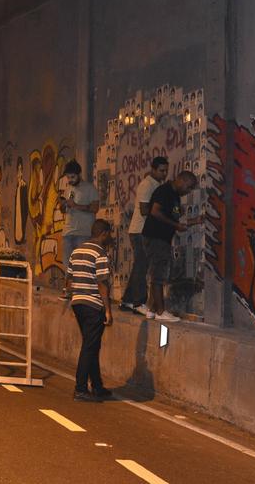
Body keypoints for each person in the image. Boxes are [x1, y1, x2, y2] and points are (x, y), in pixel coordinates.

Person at [142, 171, 201, 322]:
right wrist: (175, 225)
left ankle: (152, 309)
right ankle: (161, 311)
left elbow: (173, 218)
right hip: (156, 237)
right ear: (181, 180)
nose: (188, 191)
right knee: (159, 274)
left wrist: (195, 221)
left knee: (159, 272)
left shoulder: (175, 197)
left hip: (163, 238)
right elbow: (155, 212)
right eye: (188, 187)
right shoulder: (165, 191)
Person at [66, 219, 114, 402]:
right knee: (89, 346)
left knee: (92, 344)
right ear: (103, 234)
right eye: (109, 234)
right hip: (93, 305)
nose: (110, 238)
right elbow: (102, 283)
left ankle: (97, 386)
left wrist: (74, 295)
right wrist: (108, 310)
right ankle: (80, 388)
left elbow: (69, 279)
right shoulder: (100, 253)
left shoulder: (76, 251)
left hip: (78, 303)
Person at [121, 157, 170, 318]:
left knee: (139, 265)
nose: (164, 173)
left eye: (166, 170)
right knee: (141, 266)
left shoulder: (157, 185)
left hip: (144, 231)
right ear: (153, 169)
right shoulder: (147, 185)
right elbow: (143, 210)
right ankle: (138, 303)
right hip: (139, 231)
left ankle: (127, 300)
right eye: (161, 170)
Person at [59, 159, 99, 299]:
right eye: (68, 177)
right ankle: (68, 290)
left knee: (82, 263)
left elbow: (95, 208)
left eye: (72, 177)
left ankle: (83, 292)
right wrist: (63, 205)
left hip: (83, 232)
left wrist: (75, 205)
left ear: (79, 174)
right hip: (68, 231)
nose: (70, 180)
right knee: (68, 263)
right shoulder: (68, 189)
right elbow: (65, 209)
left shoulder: (90, 188)